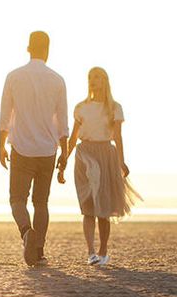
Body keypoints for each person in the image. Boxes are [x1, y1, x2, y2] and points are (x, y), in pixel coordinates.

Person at [0, 31, 69, 266]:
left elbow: (5, 114)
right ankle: (39, 252)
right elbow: (63, 122)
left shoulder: (14, 77)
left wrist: (1, 144)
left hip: (21, 147)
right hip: (48, 150)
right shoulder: (57, 80)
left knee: (17, 199)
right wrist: (65, 151)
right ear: (47, 50)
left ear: (28, 48)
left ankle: (27, 232)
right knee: (41, 202)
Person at [58, 66, 140, 266]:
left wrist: (121, 161)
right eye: (91, 78)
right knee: (88, 207)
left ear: (105, 81)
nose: (93, 81)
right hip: (85, 155)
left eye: (98, 77)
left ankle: (103, 250)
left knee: (103, 208)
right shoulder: (80, 107)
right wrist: (64, 162)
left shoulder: (114, 107)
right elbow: (73, 137)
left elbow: (118, 137)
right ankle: (91, 252)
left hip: (105, 155)